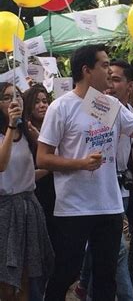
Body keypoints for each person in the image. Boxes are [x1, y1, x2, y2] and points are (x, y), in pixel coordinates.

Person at [38, 44, 133, 301]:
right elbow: (42, 157)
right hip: (74, 208)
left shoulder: (108, 105)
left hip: (109, 206)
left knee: (106, 277)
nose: (110, 70)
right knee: (67, 272)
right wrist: (80, 164)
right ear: (87, 70)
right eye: (104, 65)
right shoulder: (61, 107)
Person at [74, 59, 133, 300]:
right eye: (108, 76)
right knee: (115, 255)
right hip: (97, 196)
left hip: (122, 196)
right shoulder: (97, 107)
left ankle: (85, 286)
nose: (110, 82)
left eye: (116, 78)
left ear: (131, 85)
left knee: (107, 257)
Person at [0, 82, 54, 301]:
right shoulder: (9, 132)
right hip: (5, 211)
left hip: (28, 207)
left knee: (26, 275)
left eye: (18, 96)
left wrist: (34, 135)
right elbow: (2, 165)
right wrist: (12, 126)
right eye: (7, 97)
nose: (15, 101)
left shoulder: (26, 132)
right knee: (5, 279)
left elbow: (36, 168)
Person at [22, 85, 55, 236]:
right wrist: (53, 166)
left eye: (45, 101)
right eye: (37, 102)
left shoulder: (54, 128)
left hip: (56, 195)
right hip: (36, 196)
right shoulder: (24, 133)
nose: (42, 105)